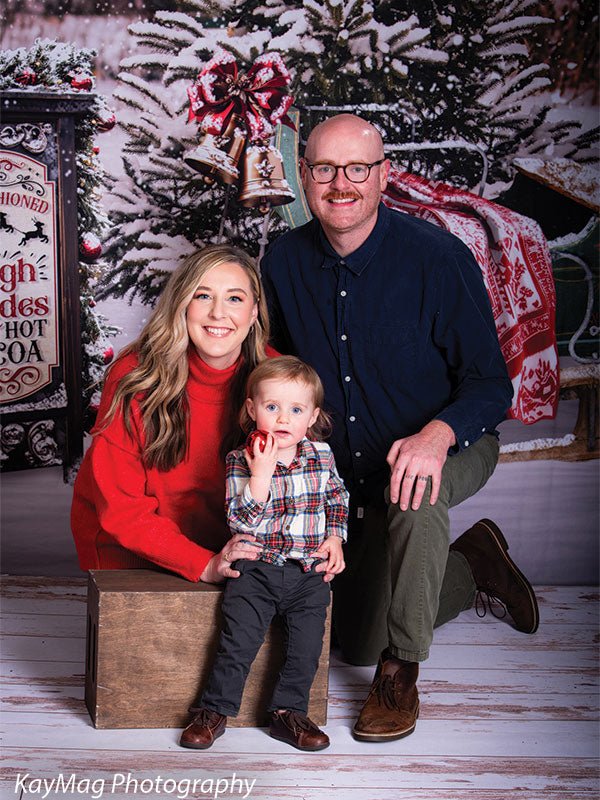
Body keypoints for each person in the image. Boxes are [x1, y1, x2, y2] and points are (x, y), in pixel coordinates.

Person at [259, 114, 540, 743]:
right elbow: (277, 369)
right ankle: (470, 566)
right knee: (353, 638)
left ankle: (401, 671)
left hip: (451, 442)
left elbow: (493, 386)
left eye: (357, 168)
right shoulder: (282, 261)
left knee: (416, 489)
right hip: (349, 469)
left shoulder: (438, 258)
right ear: (304, 177)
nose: (341, 183)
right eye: (325, 168)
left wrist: (437, 435)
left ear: (382, 176)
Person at [71, 243, 279, 583]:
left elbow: (304, 479)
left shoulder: (275, 378)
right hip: (134, 551)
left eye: (235, 298)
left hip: (233, 548)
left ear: (254, 312)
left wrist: (326, 534)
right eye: (203, 295)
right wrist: (203, 564)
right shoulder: (136, 375)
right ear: (182, 305)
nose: (218, 313)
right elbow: (122, 509)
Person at [179, 356, 348, 752]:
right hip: (257, 570)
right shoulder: (242, 459)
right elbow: (241, 520)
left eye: (296, 410)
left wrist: (336, 539)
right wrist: (261, 474)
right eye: (272, 407)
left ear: (312, 417)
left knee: (305, 648)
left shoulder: (322, 457)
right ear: (253, 410)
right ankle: (214, 710)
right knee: (238, 641)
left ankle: (288, 714)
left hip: (308, 573)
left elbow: (337, 498)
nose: (283, 419)